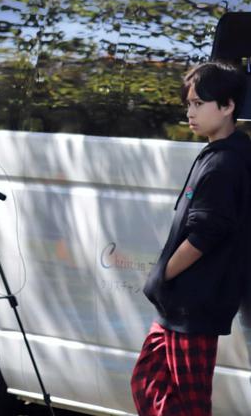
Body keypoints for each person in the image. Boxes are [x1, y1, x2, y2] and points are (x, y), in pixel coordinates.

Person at [132, 62, 251, 416]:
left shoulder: (226, 164)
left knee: (190, 405)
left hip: (195, 307)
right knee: (147, 382)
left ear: (228, 106)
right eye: (188, 104)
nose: (190, 113)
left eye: (199, 104)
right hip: (176, 306)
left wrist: (164, 273)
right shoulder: (217, 152)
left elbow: (206, 234)